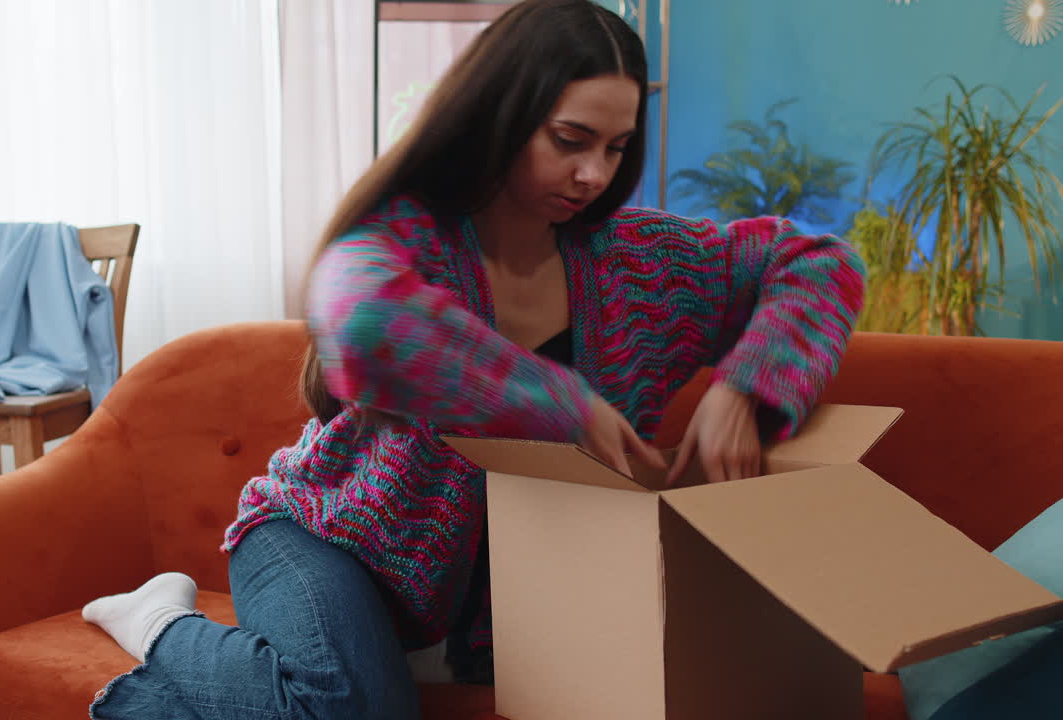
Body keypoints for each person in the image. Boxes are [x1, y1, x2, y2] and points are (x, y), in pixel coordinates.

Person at [83, 1, 865, 718]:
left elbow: (820, 264)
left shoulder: (646, 264)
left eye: (616, 147)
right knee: (354, 707)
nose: (594, 174)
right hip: (321, 538)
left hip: (496, 610)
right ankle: (161, 621)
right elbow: (365, 322)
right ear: (501, 115)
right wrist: (564, 403)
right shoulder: (409, 236)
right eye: (570, 141)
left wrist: (746, 386)